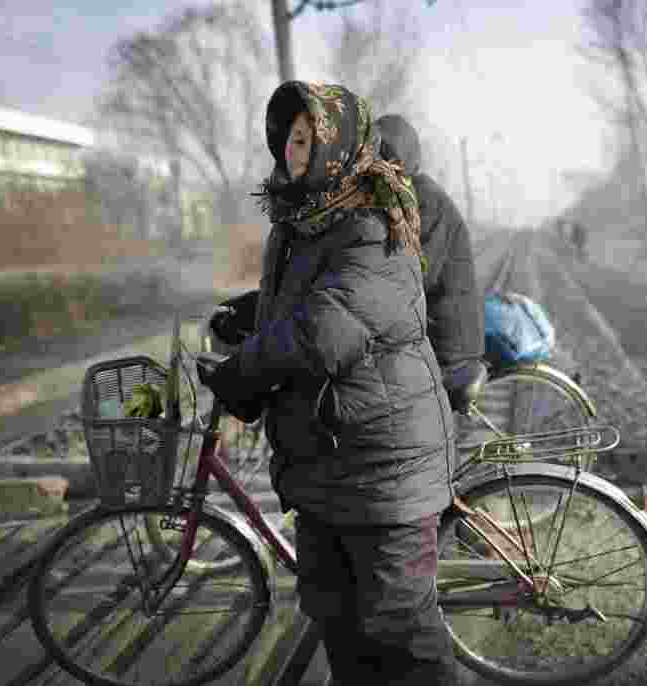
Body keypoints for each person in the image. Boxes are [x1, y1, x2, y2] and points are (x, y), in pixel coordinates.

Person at [201, 81, 458, 686]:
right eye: (290, 139)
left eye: (309, 139)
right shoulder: (302, 221)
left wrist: (243, 373)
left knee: (401, 635)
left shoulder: (372, 223)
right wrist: (249, 313)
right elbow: (303, 300)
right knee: (340, 624)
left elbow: (327, 328)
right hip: (326, 467)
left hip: (383, 469)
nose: (296, 152)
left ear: (340, 145)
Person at [374, 114, 485, 417]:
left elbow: (416, 274)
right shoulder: (412, 194)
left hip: (450, 342)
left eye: (385, 160)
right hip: (441, 327)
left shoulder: (425, 201)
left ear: (403, 160)